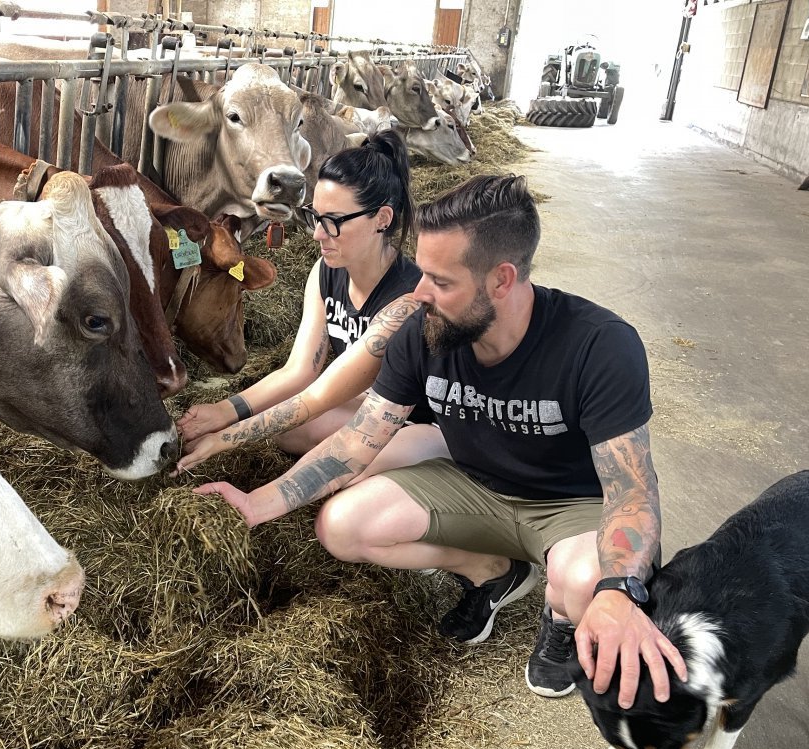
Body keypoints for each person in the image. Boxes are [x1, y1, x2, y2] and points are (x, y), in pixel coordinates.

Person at [194, 174, 686, 709]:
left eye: (441, 281)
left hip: (571, 505)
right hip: (474, 487)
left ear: (502, 280)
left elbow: (633, 491)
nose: (420, 293)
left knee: (589, 583)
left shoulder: (598, 345)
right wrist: (253, 504)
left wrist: (619, 591)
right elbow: (356, 442)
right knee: (341, 526)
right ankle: (494, 572)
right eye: (422, 273)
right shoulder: (423, 329)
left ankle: (561, 614)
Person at [174, 129, 447, 478]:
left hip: (415, 424)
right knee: (290, 431)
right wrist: (224, 409)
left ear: (382, 219)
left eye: (333, 222)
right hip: (360, 404)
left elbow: (319, 394)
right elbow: (300, 371)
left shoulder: (407, 298)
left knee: (339, 460)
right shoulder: (326, 272)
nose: (318, 234)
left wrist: (227, 435)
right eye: (316, 217)